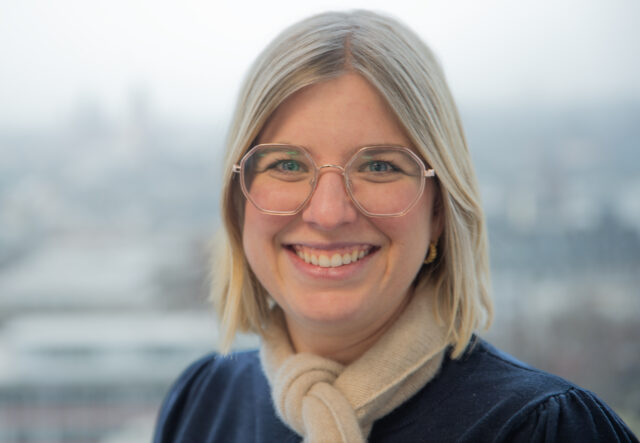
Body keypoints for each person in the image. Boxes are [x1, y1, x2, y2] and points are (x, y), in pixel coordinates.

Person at [153, 10, 637, 443]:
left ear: (438, 209)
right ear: (238, 200)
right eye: (288, 165)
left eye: (379, 167)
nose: (328, 213)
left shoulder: (542, 429)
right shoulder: (204, 404)